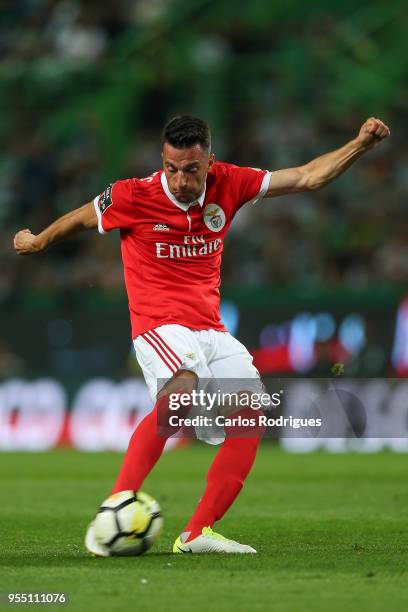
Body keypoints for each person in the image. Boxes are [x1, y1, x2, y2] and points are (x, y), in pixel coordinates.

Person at [14, 115, 390, 554]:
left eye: (191, 169)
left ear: (209, 161)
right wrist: (39, 241)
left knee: (251, 413)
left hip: (210, 327)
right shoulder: (133, 194)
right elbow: (82, 217)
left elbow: (307, 177)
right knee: (181, 391)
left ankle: (197, 533)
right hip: (158, 324)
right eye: (172, 168)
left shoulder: (232, 182)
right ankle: (113, 508)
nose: (180, 179)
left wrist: (360, 145)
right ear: (163, 160)